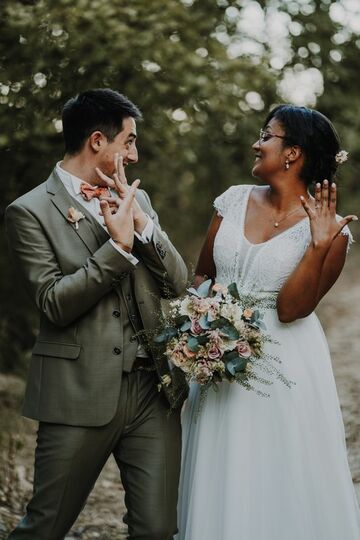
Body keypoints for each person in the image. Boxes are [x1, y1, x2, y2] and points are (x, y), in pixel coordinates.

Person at [6, 88, 188, 540]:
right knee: (45, 526)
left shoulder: (137, 201)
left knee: (158, 529)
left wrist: (143, 229)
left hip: (153, 389)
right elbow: (53, 302)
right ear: (96, 142)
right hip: (77, 390)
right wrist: (118, 248)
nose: (135, 153)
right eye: (129, 141)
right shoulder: (28, 211)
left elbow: (178, 283)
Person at [176, 104, 360, 540]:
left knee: (275, 468)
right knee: (218, 465)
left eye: (266, 135)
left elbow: (291, 310)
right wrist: (201, 322)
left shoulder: (332, 232)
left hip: (284, 365)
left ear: (293, 152)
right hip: (217, 355)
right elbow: (203, 275)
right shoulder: (234, 199)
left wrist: (317, 247)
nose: (256, 144)